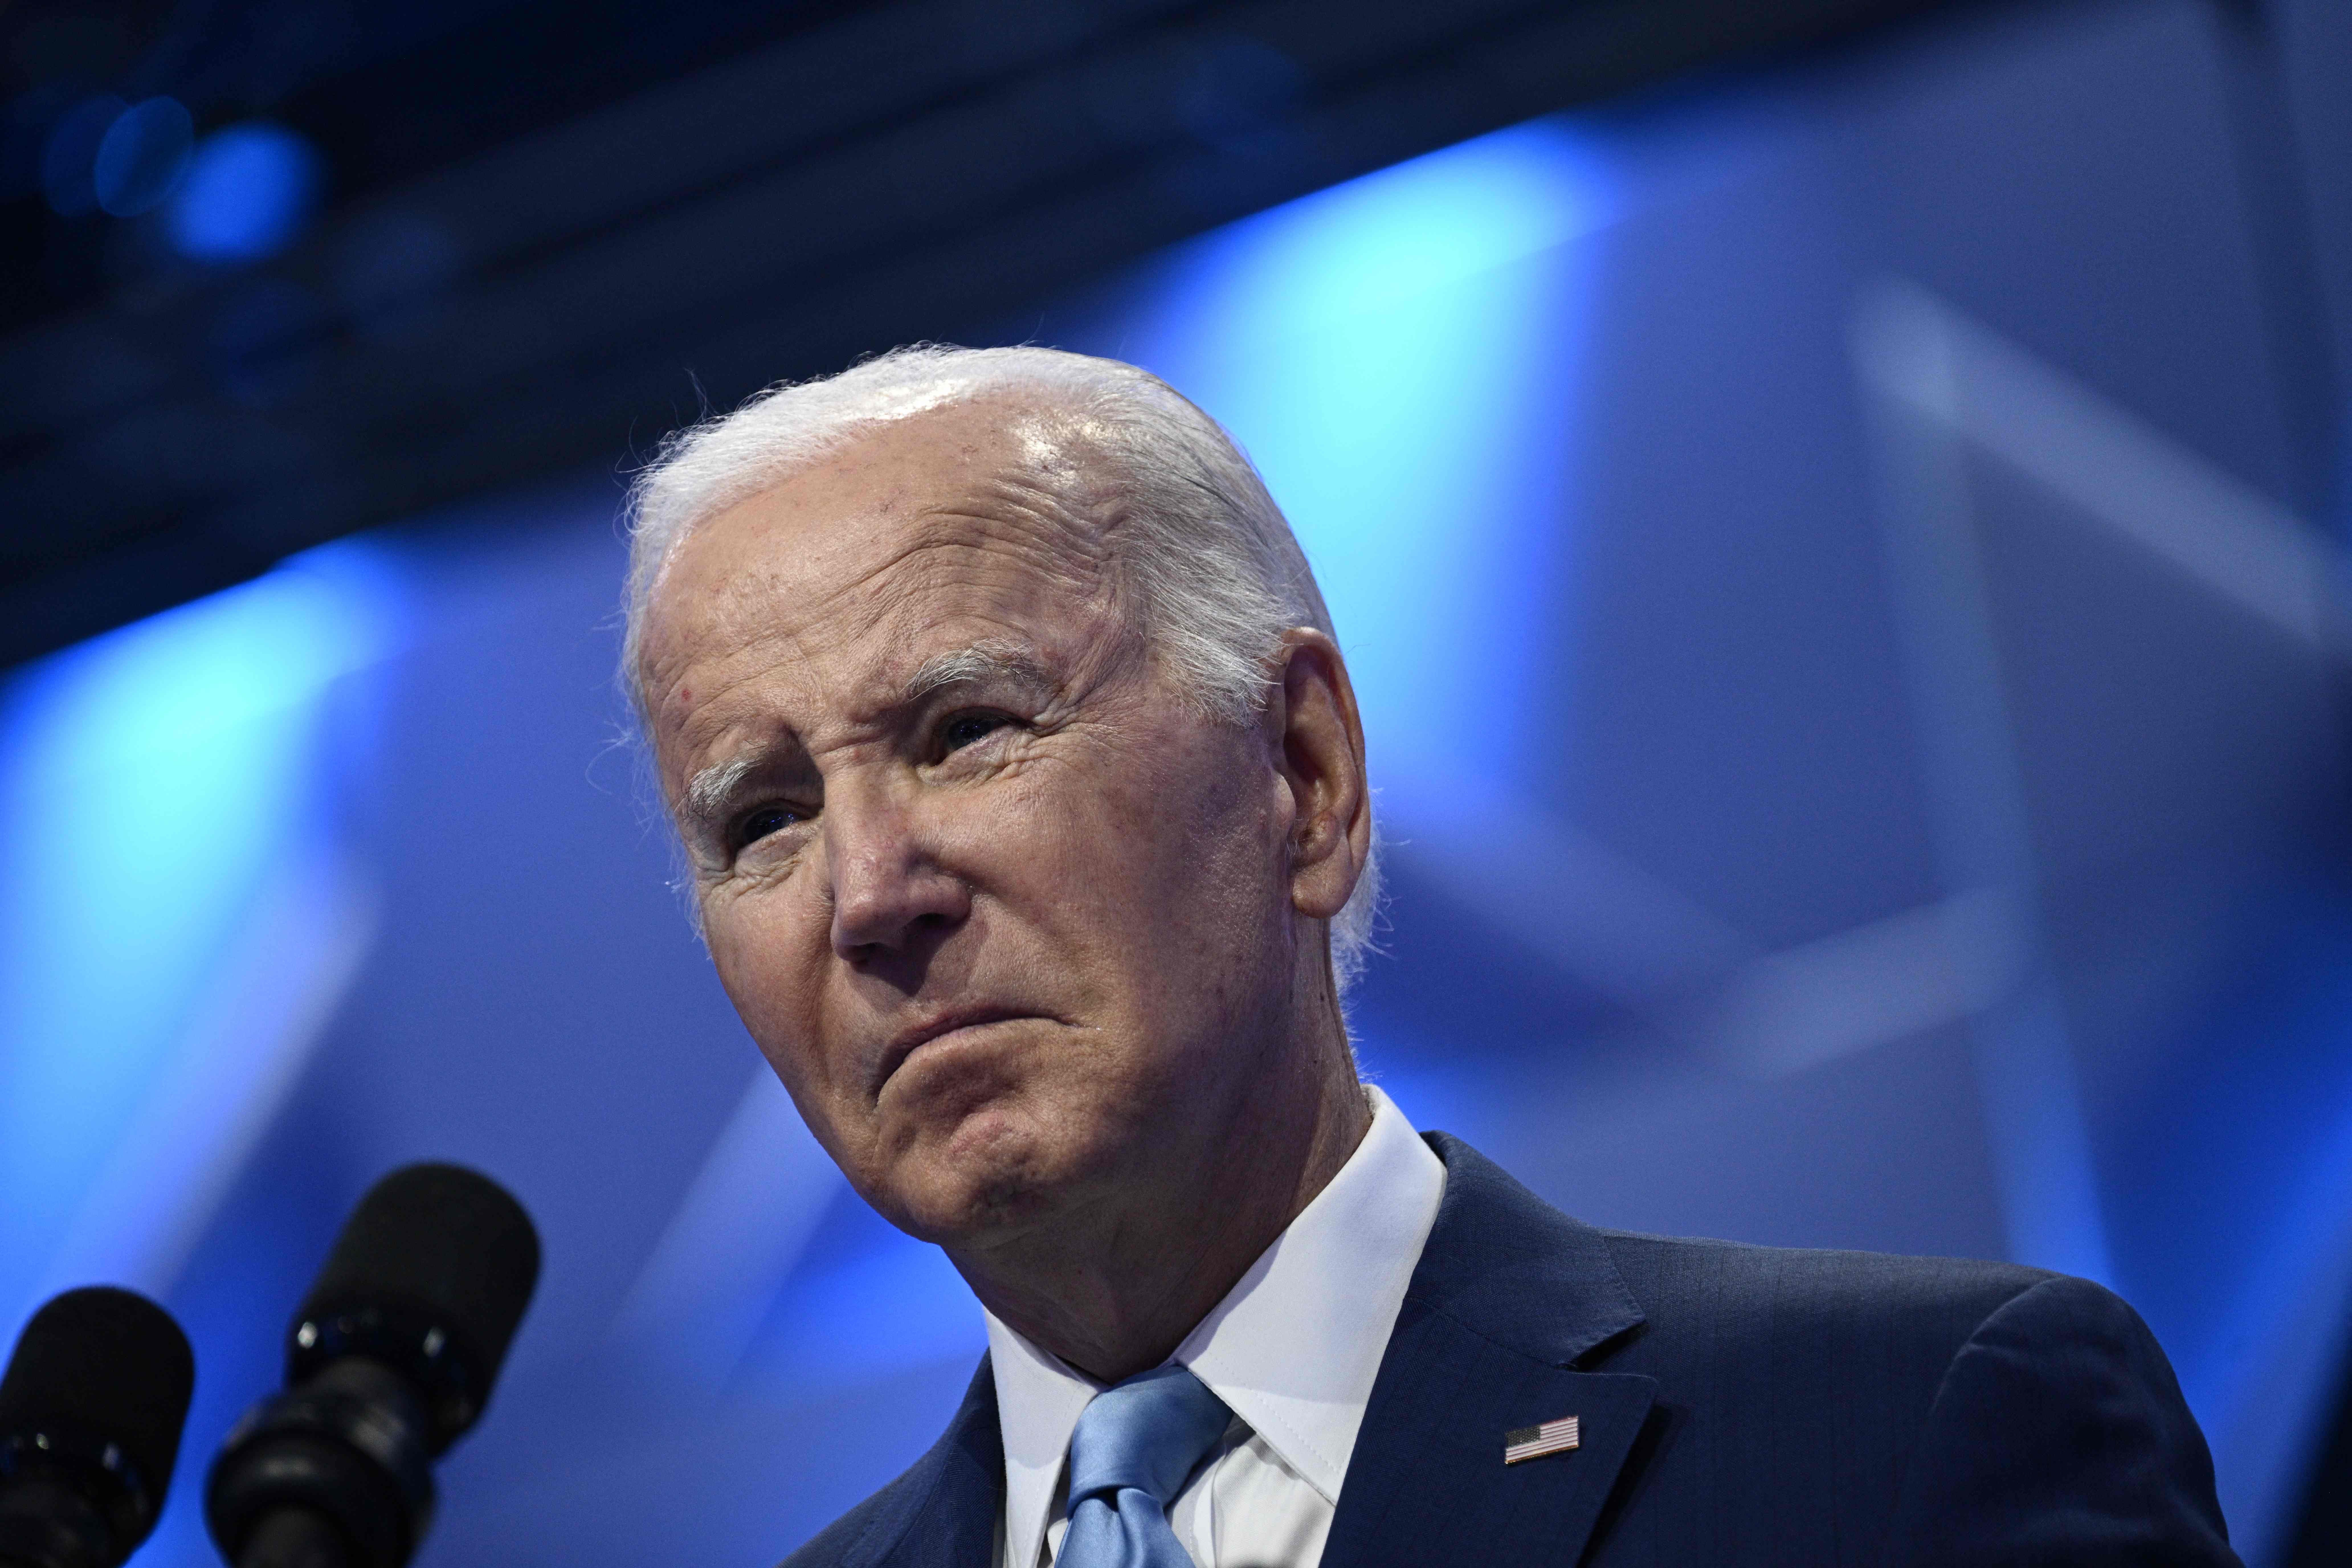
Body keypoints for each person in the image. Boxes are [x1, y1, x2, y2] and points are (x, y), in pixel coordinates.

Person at [623, 345, 2238, 1567]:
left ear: (1304, 776)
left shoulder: (1906, 1436)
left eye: (968, 731)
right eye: (762, 818)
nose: (867, 893)